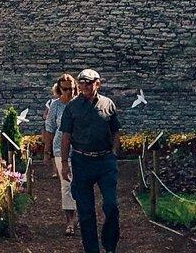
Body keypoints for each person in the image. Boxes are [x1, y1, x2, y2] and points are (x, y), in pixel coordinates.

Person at [59, 69, 120, 253]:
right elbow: (66, 136)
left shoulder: (108, 104)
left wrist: (114, 152)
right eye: (81, 83)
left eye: (88, 83)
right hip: (82, 161)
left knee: (111, 205)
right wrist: (63, 163)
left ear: (97, 84)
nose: (84, 86)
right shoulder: (72, 107)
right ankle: (91, 249)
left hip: (105, 162)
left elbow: (115, 130)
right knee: (86, 211)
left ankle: (109, 246)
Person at [45, 74, 79, 235]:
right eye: (65, 89)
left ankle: (79, 214)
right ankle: (70, 221)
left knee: (80, 184)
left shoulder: (81, 103)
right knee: (66, 185)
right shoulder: (56, 106)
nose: (69, 92)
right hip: (60, 150)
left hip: (80, 150)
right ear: (59, 89)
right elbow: (50, 128)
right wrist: (47, 151)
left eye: (71, 89)